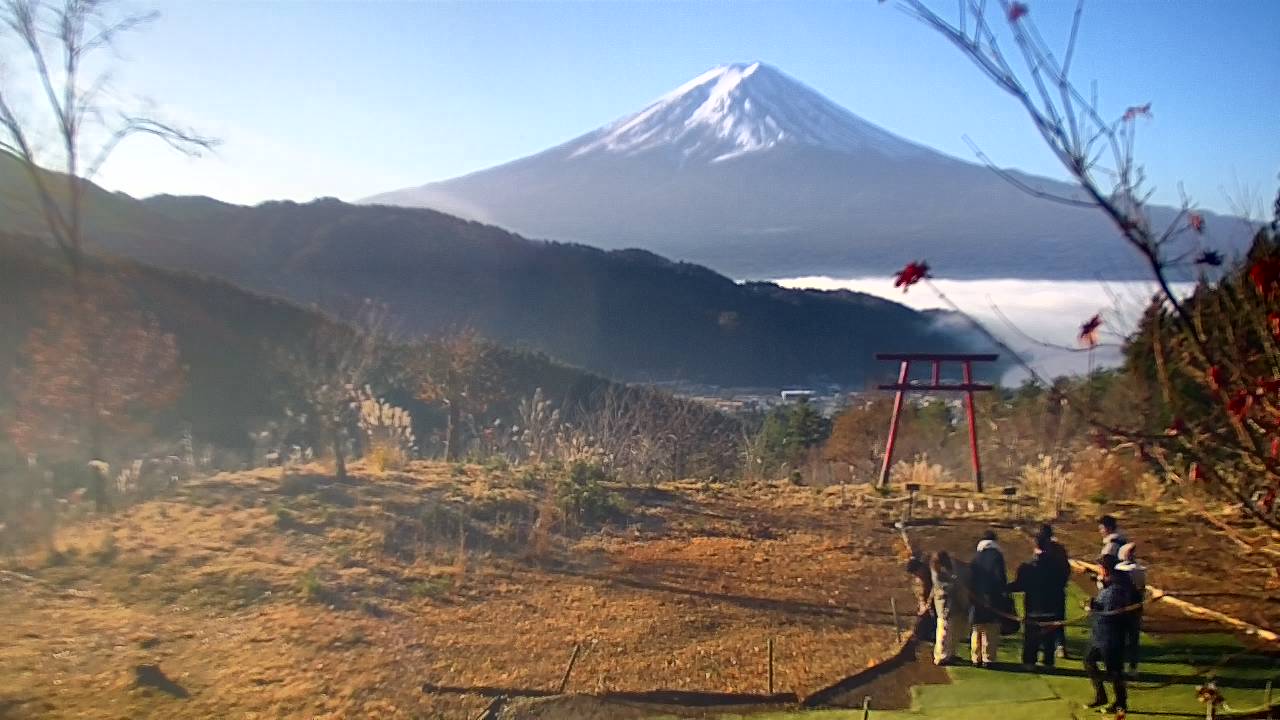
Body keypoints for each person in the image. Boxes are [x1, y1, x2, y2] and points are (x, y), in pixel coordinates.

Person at [1085, 555, 1134, 714]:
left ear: (1105, 568)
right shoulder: (1110, 584)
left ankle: (1120, 703)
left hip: (1111, 636)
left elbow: (1112, 611)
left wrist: (1093, 608)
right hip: (1100, 635)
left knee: (1114, 671)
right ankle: (1101, 696)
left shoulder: (1117, 588)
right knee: (1089, 661)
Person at [1008, 534, 1062, 670]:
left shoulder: (1027, 566)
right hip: (1051, 608)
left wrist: (1004, 588)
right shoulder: (1056, 565)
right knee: (1049, 640)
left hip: (1033, 608)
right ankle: (1048, 663)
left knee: (1031, 639)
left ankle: (1029, 662)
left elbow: (1019, 585)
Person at [969, 529, 1008, 667]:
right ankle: (988, 659)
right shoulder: (997, 557)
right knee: (990, 630)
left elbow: (970, 577)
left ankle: (975, 657)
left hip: (977, 598)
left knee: (977, 629)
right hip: (993, 598)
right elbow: (1000, 578)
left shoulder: (976, 557)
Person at [1036, 524, 1072, 659]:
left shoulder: (1042, 551)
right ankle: (1060, 646)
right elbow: (1066, 569)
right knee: (1058, 619)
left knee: (1042, 618)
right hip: (1058, 589)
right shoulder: (1059, 550)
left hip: (1044, 591)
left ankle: (1043, 645)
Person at [929, 551, 967, 666]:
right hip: (945, 606)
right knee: (944, 631)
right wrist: (955, 583)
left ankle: (950, 654)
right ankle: (941, 656)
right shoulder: (937, 573)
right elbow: (945, 587)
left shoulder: (945, 571)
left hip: (953, 605)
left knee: (953, 632)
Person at [1115, 542, 1147, 676]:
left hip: (1122, 607)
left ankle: (1119, 665)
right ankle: (1132, 667)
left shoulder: (1120, 569)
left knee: (1120, 638)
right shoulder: (1139, 569)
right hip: (1135, 607)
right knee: (1133, 638)